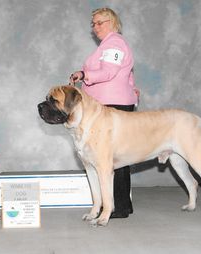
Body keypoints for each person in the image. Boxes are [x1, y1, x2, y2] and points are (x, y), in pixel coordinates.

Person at [70, 7, 139, 218]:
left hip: (111, 105)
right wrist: (132, 91)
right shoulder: (108, 45)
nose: (96, 27)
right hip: (113, 103)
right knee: (118, 158)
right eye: (93, 24)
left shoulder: (114, 43)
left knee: (112, 159)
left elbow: (109, 72)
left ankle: (117, 207)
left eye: (100, 22)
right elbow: (126, 75)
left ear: (112, 22)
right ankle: (121, 205)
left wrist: (84, 73)